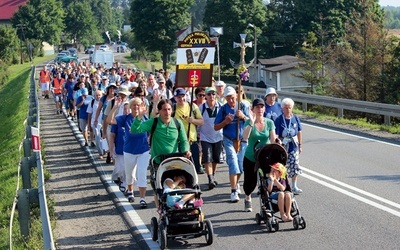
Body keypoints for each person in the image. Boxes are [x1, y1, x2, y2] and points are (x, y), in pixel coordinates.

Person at [130, 99, 191, 211]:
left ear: (172, 110)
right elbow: (135, 130)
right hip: (158, 162)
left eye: (169, 109)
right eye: (164, 110)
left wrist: (186, 150)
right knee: (159, 188)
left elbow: (183, 141)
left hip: (175, 161)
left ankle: (179, 206)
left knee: (179, 185)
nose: (167, 112)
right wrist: (139, 117)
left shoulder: (177, 123)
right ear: (159, 111)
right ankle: (161, 212)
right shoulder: (153, 122)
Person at [108, 97, 150, 207]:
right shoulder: (125, 118)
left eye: (138, 105)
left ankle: (142, 198)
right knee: (129, 174)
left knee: (142, 174)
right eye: (134, 105)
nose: (136, 107)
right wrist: (115, 108)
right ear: (130, 108)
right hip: (129, 150)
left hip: (143, 150)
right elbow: (110, 120)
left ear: (142, 107)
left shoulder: (145, 118)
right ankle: (130, 192)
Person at [214, 86, 249, 202]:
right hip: (228, 140)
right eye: (228, 98)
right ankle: (233, 191)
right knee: (233, 163)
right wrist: (225, 122)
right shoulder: (223, 109)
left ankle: (236, 182)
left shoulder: (242, 106)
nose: (231, 101)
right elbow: (216, 126)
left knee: (241, 166)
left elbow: (250, 121)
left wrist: (243, 116)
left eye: (233, 98)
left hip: (242, 140)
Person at [242, 98, 277, 212]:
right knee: (250, 183)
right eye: (257, 107)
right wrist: (252, 122)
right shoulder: (248, 122)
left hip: (265, 156)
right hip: (251, 156)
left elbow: (272, 139)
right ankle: (247, 197)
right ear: (253, 109)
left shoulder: (269, 122)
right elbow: (245, 137)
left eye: (262, 106)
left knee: (267, 180)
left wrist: (277, 143)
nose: (260, 109)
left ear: (264, 109)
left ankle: (267, 202)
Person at [274, 98, 303, 194]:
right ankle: (282, 185)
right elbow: (276, 134)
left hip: (293, 145)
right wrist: (277, 143)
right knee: (282, 166)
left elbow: (299, 132)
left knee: (295, 165)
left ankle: (294, 186)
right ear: (282, 108)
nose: (288, 110)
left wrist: (300, 145)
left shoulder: (295, 118)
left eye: (290, 108)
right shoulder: (279, 119)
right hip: (283, 146)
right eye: (286, 108)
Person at [173, 88, 204, 174]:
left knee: (195, 168)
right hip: (179, 142)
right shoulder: (173, 108)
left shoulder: (193, 107)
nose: (181, 99)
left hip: (192, 141)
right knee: (182, 168)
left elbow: (201, 121)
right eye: (178, 97)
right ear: (175, 98)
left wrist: (193, 121)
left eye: (183, 96)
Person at [198, 87, 223, 189]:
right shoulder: (201, 108)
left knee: (215, 159)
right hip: (205, 137)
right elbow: (199, 121)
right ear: (206, 96)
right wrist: (197, 133)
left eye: (213, 94)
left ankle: (212, 175)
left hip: (218, 136)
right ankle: (210, 179)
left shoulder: (220, 107)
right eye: (209, 94)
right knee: (207, 158)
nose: (211, 96)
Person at [87, 90, 104, 155]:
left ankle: (104, 151)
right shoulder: (92, 102)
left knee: (103, 138)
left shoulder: (104, 102)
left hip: (103, 122)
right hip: (95, 123)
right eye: (96, 95)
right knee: (97, 138)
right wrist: (89, 125)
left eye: (99, 95)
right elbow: (89, 114)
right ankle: (100, 153)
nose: (98, 96)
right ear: (94, 96)